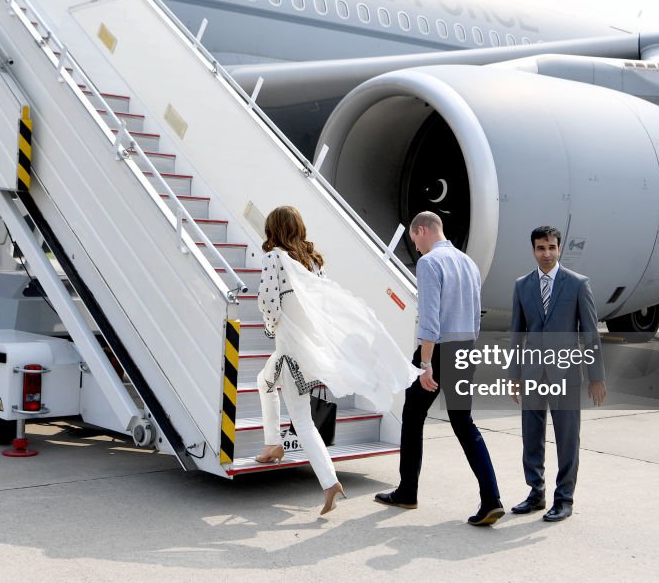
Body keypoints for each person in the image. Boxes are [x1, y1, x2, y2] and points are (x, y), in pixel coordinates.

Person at [254, 206, 417, 515]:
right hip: (309, 348)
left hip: (290, 350)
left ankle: (329, 483)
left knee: (301, 419)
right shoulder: (314, 262)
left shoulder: (273, 258)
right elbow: (323, 305)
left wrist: (271, 326)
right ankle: (272, 444)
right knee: (263, 381)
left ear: (273, 229)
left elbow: (267, 301)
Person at [375, 211, 504, 526]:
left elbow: (430, 320)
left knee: (413, 415)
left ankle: (408, 492)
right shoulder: (468, 263)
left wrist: (426, 363)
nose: (415, 247)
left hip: (439, 352)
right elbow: (475, 315)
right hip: (466, 349)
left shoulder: (430, 263)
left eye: (414, 239)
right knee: (464, 423)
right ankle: (492, 499)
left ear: (423, 230)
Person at [508, 225, 607, 522]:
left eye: (551, 247)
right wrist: (514, 375)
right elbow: (517, 333)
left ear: (559, 248)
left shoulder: (577, 284)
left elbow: (590, 333)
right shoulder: (522, 285)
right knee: (531, 436)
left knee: (566, 438)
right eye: (540, 248)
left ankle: (564, 499)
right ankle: (535, 493)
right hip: (532, 373)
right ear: (533, 250)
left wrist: (596, 376)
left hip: (565, 374)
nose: (546, 253)